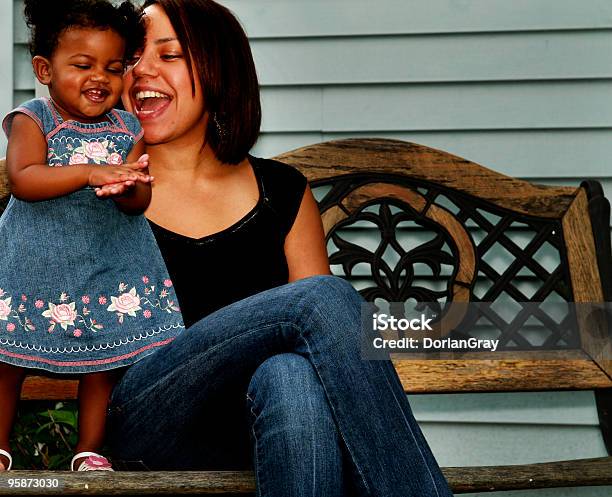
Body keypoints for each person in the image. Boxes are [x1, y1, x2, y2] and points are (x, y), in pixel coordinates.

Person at [103, 0, 454, 495]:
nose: (142, 71)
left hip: (260, 421)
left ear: (219, 68)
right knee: (323, 298)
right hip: (148, 419)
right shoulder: (100, 183)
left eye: (170, 55)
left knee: (291, 375)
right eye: (133, 56)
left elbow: (324, 351)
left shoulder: (282, 191)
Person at [0, 0, 183, 473]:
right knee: (6, 361)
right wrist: (88, 173)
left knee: (103, 362)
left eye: (113, 67)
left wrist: (127, 189)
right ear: (45, 69)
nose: (99, 77)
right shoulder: (32, 118)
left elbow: (139, 202)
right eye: (82, 65)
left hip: (107, 266)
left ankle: (90, 451)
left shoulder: (128, 127)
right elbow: (24, 178)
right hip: (33, 268)